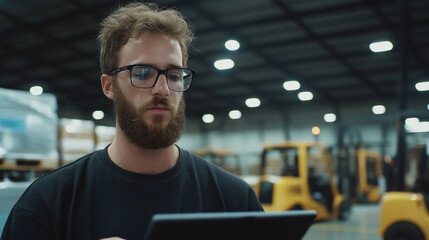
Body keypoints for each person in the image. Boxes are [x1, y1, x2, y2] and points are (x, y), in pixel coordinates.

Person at [0, 3, 263, 240]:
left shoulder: (236, 200)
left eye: (173, 75)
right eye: (143, 73)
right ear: (108, 86)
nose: (163, 89)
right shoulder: (46, 204)